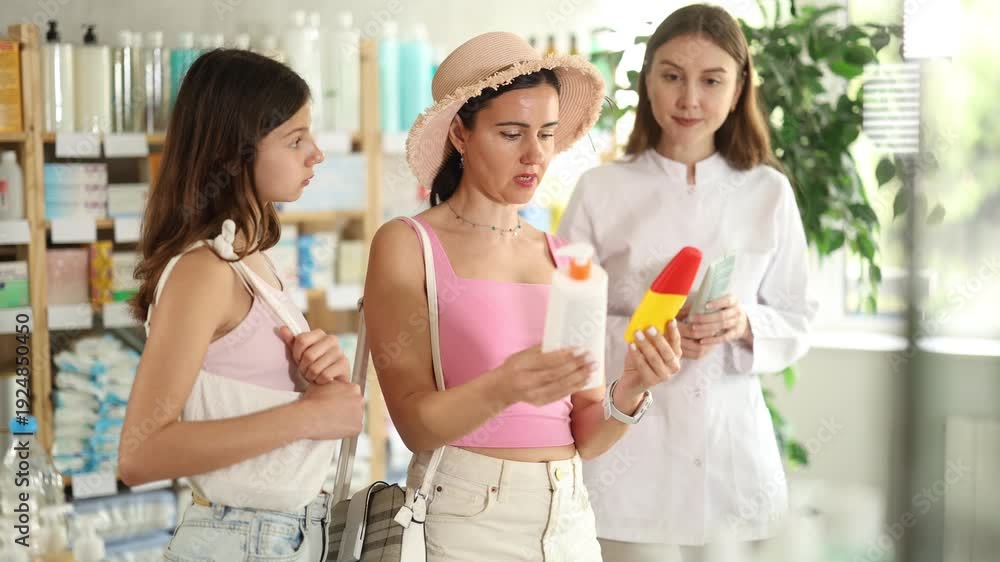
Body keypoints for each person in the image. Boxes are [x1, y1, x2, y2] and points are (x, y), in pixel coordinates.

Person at [364, 32, 683, 561]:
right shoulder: (408, 245)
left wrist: (632, 387)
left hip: (568, 517)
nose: (535, 154)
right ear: (461, 134)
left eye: (547, 134)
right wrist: (504, 386)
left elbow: (586, 434)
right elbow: (415, 425)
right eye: (511, 133)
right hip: (466, 519)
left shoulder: (567, 259)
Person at [559, 5, 818, 561]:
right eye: (672, 76)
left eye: (712, 80)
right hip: (629, 468)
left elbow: (798, 317)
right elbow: (562, 325)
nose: (689, 99)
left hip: (735, 462)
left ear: (739, 87)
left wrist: (743, 323)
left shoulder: (768, 192)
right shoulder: (600, 190)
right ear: (647, 79)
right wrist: (646, 334)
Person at [119, 49, 364, 561]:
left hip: (283, 536)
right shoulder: (204, 272)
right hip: (239, 540)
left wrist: (318, 378)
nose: (316, 154)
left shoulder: (250, 260)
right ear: (234, 154)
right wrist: (307, 415)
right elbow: (140, 455)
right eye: (295, 140)